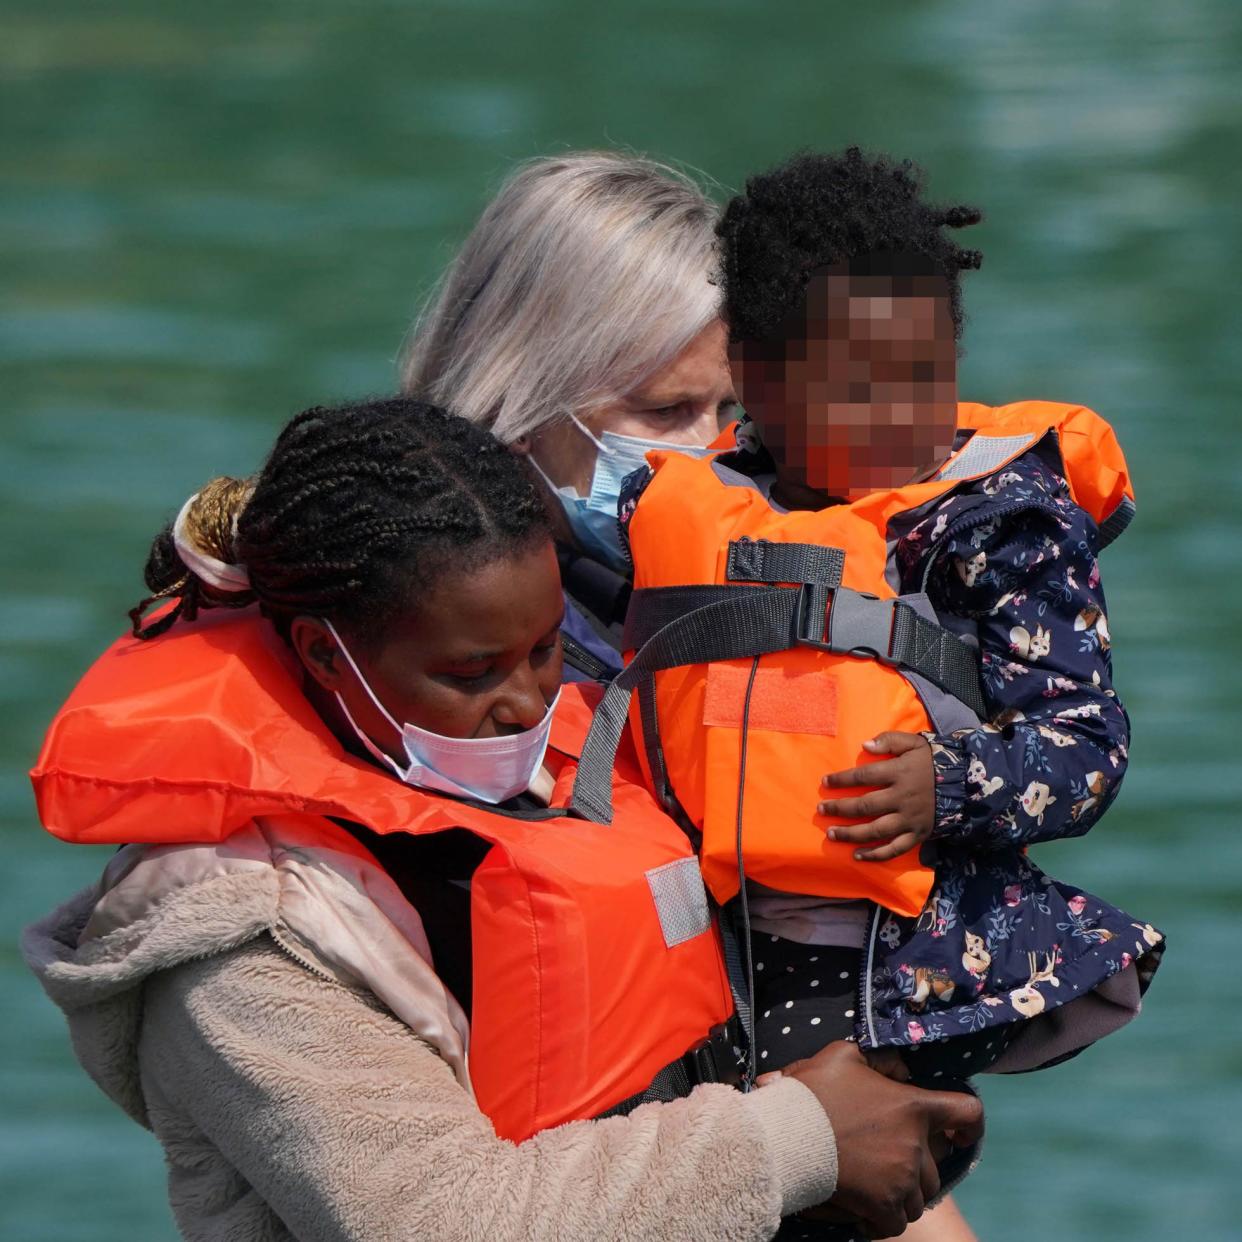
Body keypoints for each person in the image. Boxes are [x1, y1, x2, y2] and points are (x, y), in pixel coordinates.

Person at [24, 398, 983, 1242]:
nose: (528, 703)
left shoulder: (572, 771)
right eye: (473, 673)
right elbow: (446, 1223)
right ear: (323, 655)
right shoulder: (239, 941)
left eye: (541, 650)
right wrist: (805, 1136)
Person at [605, 149, 1166, 1234]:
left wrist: (950, 784)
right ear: (755, 379)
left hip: (895, 961)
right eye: (859, 387)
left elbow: (1087, 743)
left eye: (929, 374)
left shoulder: (1000, 523)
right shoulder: (691, 500)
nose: (905, 415)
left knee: (811, 1185)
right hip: (709, 942)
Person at [400, 151, 739, 680]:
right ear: (511, 403)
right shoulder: (423, 649)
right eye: (665, 409)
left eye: (729, 410)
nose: (717, 451)